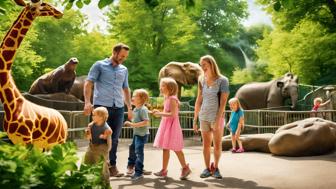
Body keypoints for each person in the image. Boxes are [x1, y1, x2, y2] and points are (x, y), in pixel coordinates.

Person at [83, 43, 132, 177]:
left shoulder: (124, 69)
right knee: (96, 138)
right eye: (122, 55)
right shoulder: (99, 65)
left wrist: (129, 107)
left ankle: (111, 166)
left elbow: (126, 89)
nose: (123, 58)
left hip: (119, 108)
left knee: (114, 139)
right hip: (101, 109)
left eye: (125, 56)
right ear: (114, 52)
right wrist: (87, 102)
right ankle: (95, 165)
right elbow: (88, 83)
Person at [193, 55, 229, 179]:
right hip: (203, 116)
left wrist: (217, 120)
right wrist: (195, 119)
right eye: (201, 65)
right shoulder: (201, 79)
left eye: (204, 65)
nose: (202, 67)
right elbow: (198, 100)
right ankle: (207, 168)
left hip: (216, 117)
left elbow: (223, 103)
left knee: (217, 145)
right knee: (206, 145)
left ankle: (216, 167)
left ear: (211, 64)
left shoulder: (223, 80)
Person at [152, 77, 191, 180]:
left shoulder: (173, 99)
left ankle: (185, 168)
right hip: (166, 125)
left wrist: (159, 113)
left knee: (176, 148)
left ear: (170, 87)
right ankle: (164, 170)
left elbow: (173, 114)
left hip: (172, 125)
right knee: (165, 148)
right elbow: (167, 111)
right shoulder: (167, 98)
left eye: (163, 85)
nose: (160, 87)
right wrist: (159, 111)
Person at [124, 89, 151, 181]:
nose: (132, 97)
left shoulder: (143, 109)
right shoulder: (136, 109)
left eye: (135, 96)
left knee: (139, 152)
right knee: (133, 148)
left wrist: (132, 124)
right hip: (137, 134)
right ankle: (133, 166)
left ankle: (138, 172)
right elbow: (135, 119)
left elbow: (146, 122)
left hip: (142, 135)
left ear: (141, 99)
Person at [84, 107, 112, 185]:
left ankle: (105, 182)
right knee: (88, 161)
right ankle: (89, 180)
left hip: (102, 147)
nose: (92, 117)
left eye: (94, 115)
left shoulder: (106, 127)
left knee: (101, 166)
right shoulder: (91, 125)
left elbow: (109, 139)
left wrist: (108, 149)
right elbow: (88, 138)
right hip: (92, 146)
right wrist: (87, 133)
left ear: (101, 117)